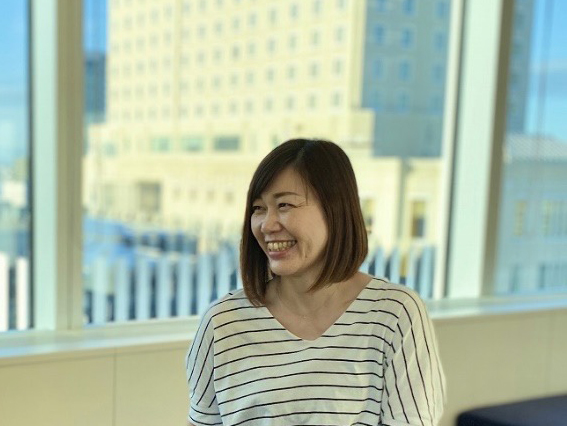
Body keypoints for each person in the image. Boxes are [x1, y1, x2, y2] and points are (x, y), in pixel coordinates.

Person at [186, 139, 446, 426]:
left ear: (335, 211)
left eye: (284, 204)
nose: (267, 224)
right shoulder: (222, 322)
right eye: (258, 208)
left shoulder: (395, 314)